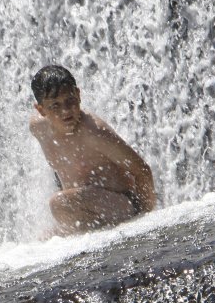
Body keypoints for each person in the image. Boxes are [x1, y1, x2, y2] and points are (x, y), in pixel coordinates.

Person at [29, 65, 156, 235]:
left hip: (123, 206)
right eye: (55, 106)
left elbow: (142, 170)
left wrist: (146, 220)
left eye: (70, 100)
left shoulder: (94, 132)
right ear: (41, 110)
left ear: (79, 95)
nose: (66, 111)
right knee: (45, 237)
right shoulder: (39, 129)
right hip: (88, 209)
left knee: (59, 204)